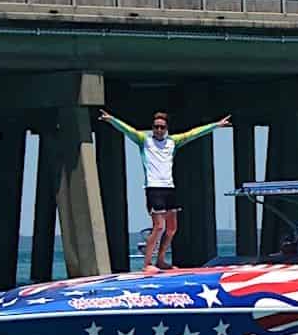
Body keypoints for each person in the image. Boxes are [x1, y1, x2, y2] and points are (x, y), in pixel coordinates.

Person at [99, 108, 231, 269]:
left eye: (162, 127)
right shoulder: (144, 140)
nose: (159, 130)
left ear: (166, 129)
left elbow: (193, 133)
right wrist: (112, 119)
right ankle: (147, 263)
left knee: (172, 228)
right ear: (152, 128)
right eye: (156, 127)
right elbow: (128, 130)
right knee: (159, 227)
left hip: (169, 188)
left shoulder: (172, 142)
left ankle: (160, 260)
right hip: (154, 188)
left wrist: (216, 125)